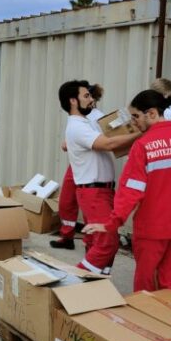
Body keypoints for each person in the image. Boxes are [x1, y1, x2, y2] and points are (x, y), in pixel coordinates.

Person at [83, 90, 171, 292]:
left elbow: (131, 191)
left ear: (151, 114)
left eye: (136, 116)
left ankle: (145, 321)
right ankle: (168, 321)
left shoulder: (143, 146)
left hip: (151, 230)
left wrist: (112, 223)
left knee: (145, 290)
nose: (133, 123)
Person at [58, 80, 139, 274]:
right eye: (86, 96)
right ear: (73, 101)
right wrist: (140, 133)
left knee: (96, 239)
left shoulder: (86, 122)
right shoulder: (78, 127)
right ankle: (77, 280)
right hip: (94, 192)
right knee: (108, 242)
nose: (91, 99)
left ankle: (98, 283)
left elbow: (114, 139)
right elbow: (109, 144)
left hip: (100, 191)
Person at [51, 83, 105, 250]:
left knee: (90, 206)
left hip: (89, 167)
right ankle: (67, 235)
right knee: (67, 200)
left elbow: (101, 140)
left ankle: (90, 242)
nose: (89, 99)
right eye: (86, 96)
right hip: (77, 163)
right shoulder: (79, 117)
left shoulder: (97, 116)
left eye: (89, 96)